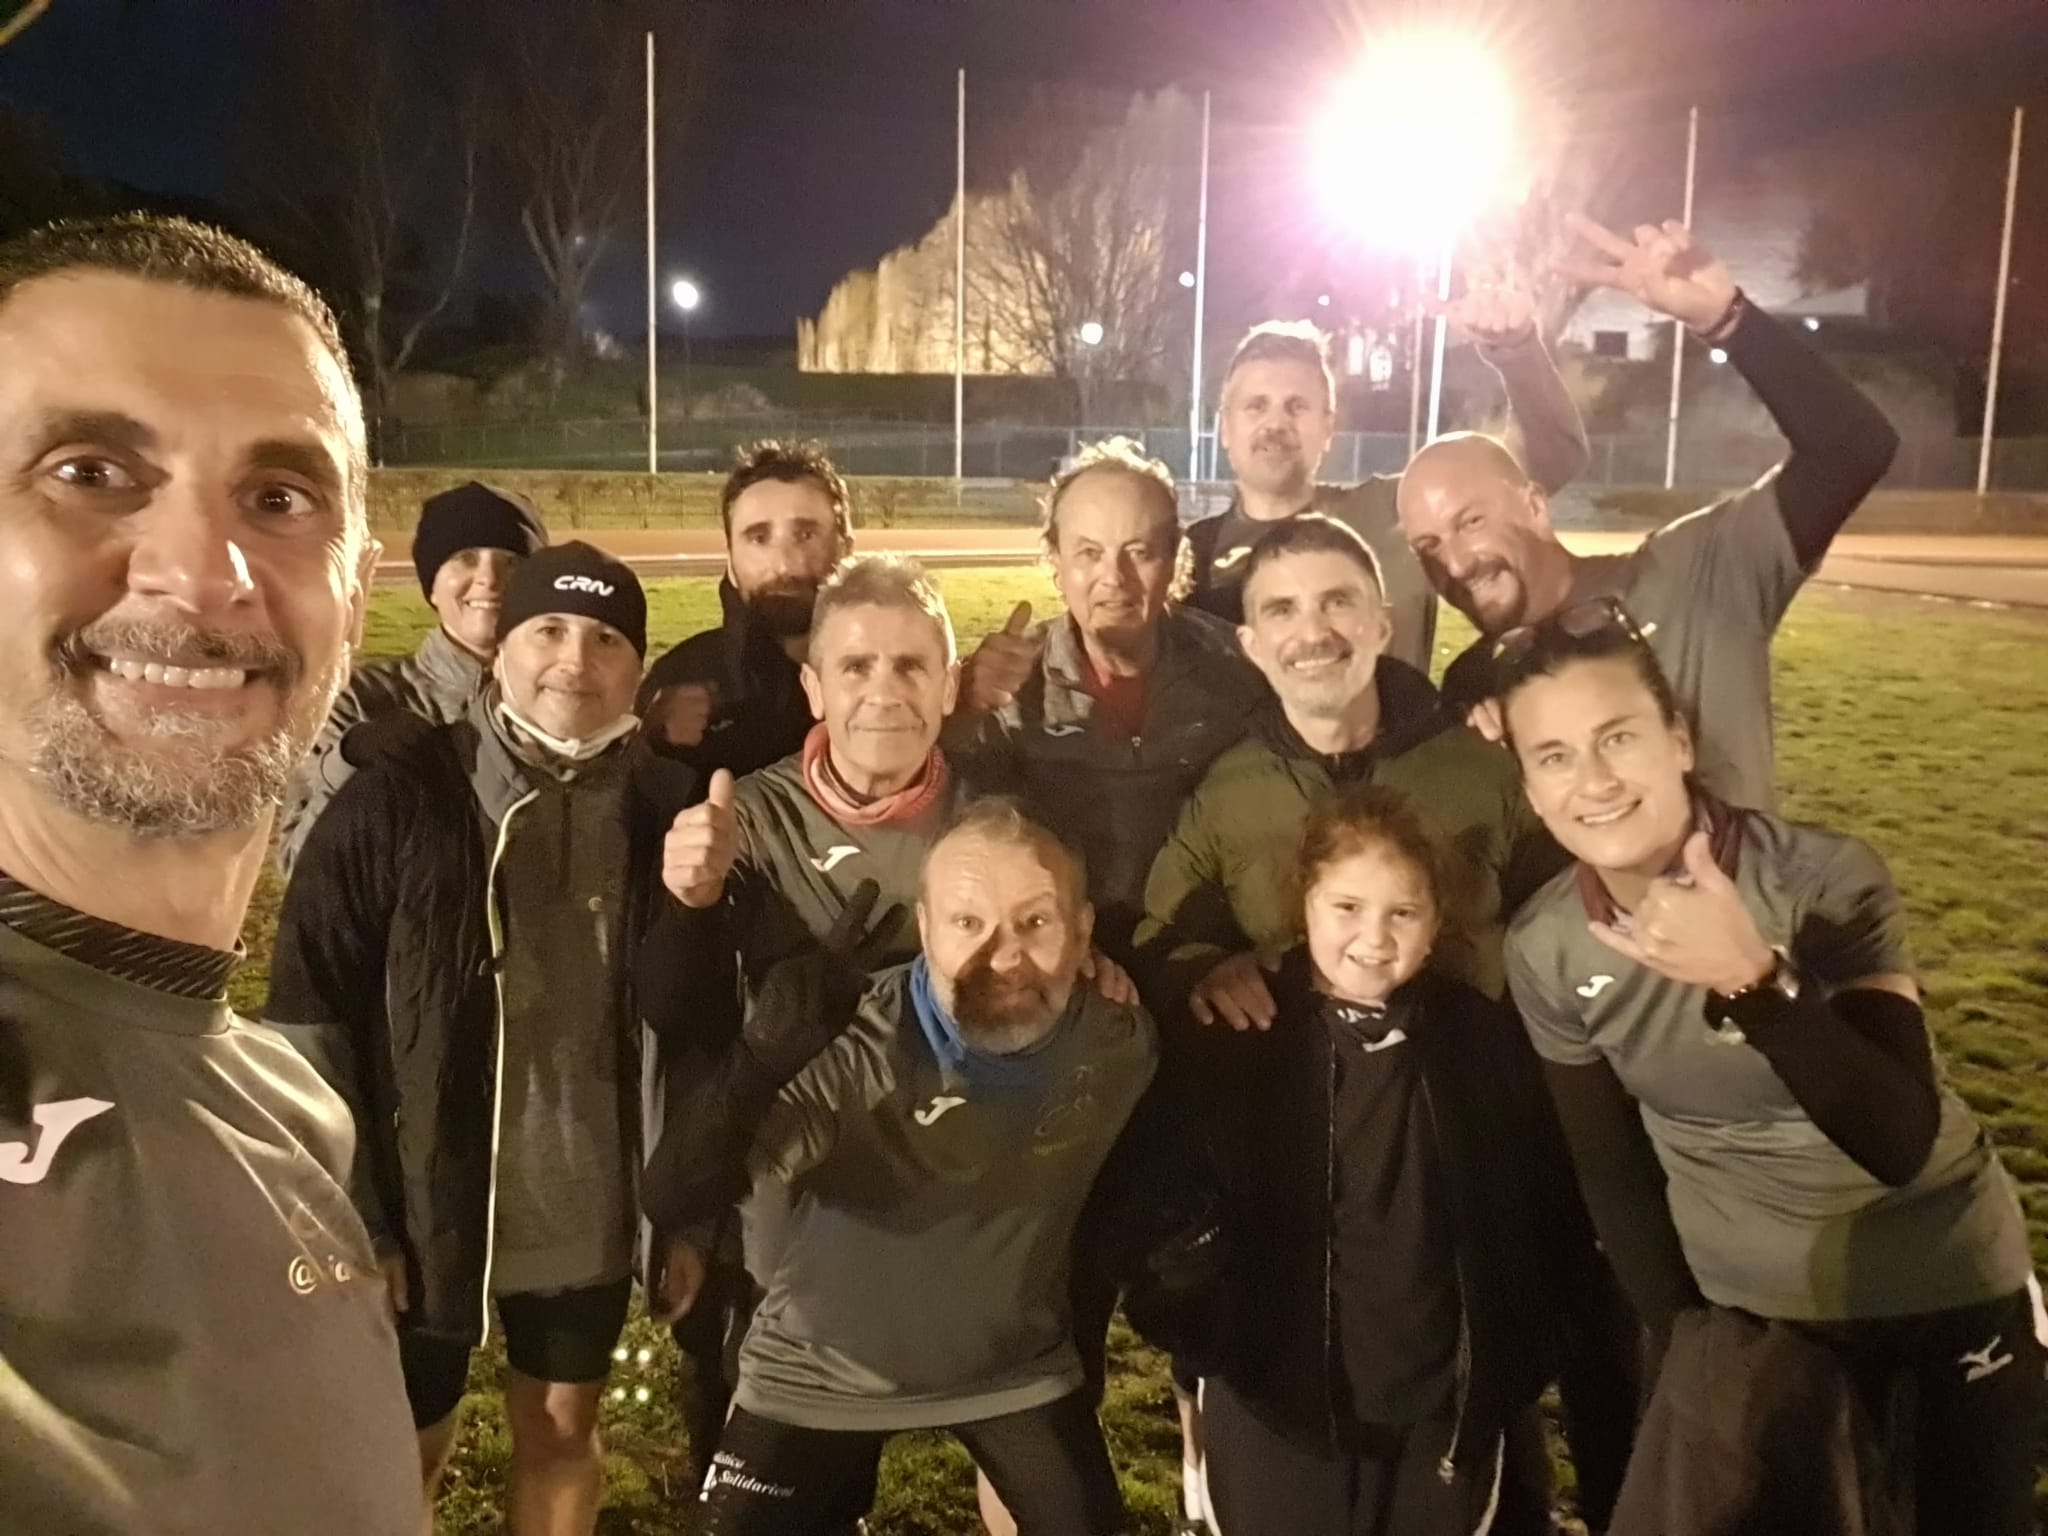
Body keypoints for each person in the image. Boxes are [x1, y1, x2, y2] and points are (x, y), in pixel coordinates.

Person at [0, 214, 422, 1532]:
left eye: (280, 498)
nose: (202, 573)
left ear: (356, 594)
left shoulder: (291, 1107)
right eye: (89, 471)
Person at [1133, 513, 1639, 1529]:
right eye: (1281, 609)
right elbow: (1155, 926)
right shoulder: (1228, 785)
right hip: (1312, 1169)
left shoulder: (1480, 761)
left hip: (1479, 1152)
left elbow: (1584, 899)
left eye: (1336, 602)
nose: (1311, 629)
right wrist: (1206, 965)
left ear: (1381, 620)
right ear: (1251, 642)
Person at [1496, 612, 2040, 1532]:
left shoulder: (1821, 881)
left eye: (1618, 738)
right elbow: (1611, 1170)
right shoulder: (1546, 944)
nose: (1592, 780)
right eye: (1554, 756)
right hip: (1753, 1320)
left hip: (1942, 1290)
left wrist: (1754, 983)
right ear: (1530, 788)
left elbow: (1898, 1138)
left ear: (1678, 741)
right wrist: (1689, 1341)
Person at [263, 543, 699, 1536]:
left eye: (606, 639)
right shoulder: (396, 796)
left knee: (561, 1433)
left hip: (582, 1206)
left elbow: (698, 1036)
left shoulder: (670, 810)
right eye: (548, 630)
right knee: (400, 1452)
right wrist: (359, 1220)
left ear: (637, 668)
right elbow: (305, 1021)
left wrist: (681, 1213)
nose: (574, 661)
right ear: (500, 650)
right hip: (421, 1209)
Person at [644, 798, 1159, 1536]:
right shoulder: (855, 1043)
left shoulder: (1118, 1044)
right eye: (968, 922)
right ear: (925, 929)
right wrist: (757, 1064)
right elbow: (673, 1195)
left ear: (1083, 932)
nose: (1005, 956)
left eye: (1036, 922)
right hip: (816, 1370)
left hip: (1013, 1366)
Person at [1401, 215, 1900, 810]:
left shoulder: (1697, 575)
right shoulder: (1473, 685)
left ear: (1534, 504)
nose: (1457, 562)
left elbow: (1853, 450)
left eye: (1471, 522)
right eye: (1428, 545)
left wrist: (1729, 320)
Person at [1186, 784, 1580, 1536]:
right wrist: (1198, 1329)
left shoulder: (1479, 1039)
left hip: (1436, 1405)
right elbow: (1176, 1214)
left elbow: (1535, 1209)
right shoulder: (1243, 1033)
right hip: (1280, 1402)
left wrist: (1516, 1358)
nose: (1374, 936)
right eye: (1347, 907)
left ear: (1435, 924)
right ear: (1305, 903)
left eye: (1403, 912)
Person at [947, 436, 1266, 957]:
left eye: (1139, 552)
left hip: (1211, 958)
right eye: (1089, 553)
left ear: (1174, 557)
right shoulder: (1003, 689)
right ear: (1055, 559)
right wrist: (961, 715)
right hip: (1067, 958)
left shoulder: (1241, 668)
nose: (1114, 578)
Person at [1185, 283, 1589, 670]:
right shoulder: (1185, 557)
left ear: (1328, 426)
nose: (1276, 424)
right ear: (1225, 428)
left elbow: (1554, 454)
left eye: (1296, 406)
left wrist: (1517, 352)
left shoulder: (1396, 511)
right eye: (1256, 406)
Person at [276, 478, 545, 875]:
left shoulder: (561, 695)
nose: (489, 578)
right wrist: (348, 762)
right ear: (432, 586)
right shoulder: (358, 701)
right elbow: (300, 867)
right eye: (466, 558)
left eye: (512, 562)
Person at [640, 438, 854, 775]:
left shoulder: (904, 671)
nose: (783, 565)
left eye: (805, 535)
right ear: (730, 559)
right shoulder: (678, 677)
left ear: (846, 548)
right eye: (758, 538)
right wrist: (648, 745)